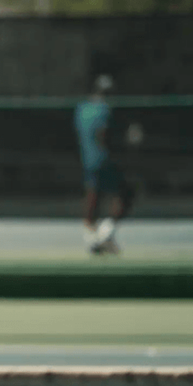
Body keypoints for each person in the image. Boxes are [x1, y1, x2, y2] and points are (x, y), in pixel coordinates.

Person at [74, 74, 134, 255]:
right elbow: (104, 135)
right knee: (124, 194)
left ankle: (95, 238)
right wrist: (127, 141)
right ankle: (105, 236)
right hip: (104, 160)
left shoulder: (82, 108)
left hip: (88, 160)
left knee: (94, 197)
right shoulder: (105, 110)